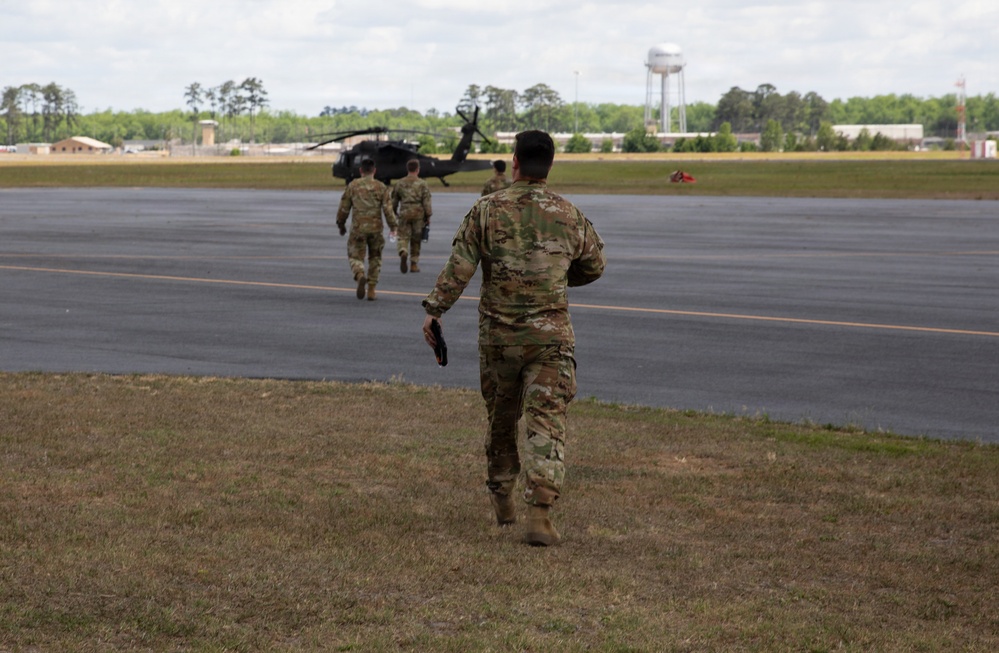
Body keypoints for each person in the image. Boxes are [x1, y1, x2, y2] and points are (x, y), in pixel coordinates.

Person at [421, 130, 606, 546]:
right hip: (551, 340)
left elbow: (460, 268)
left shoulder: (486, 210)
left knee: (502, 418)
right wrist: (554, 277)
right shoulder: (568, 213)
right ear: (550, 166)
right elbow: (594, 265)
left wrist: (435, 311)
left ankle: (502, 496)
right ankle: (539, 513)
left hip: (499, 338)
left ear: (515, 163)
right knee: (547, 420)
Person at [336, 158, 397, 301]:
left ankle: (359, 275)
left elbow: (344, 209)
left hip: (358, 229)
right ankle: (371, 290)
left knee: (355, 257)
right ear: (374, 171)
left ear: (360, 171)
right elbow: (388, 210)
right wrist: (393, 226)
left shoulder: (353, 186)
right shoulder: (381, 187)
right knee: (375, 258)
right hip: (376, 230)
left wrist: (341, 224)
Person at [391, 158, 433, 273]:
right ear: (417, 170)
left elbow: (393, 201)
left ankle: (403, 251)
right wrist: (428, 216)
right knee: (416, 239)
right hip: (418, 214)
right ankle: (414, 264)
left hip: (404, 212)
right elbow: (426, 202)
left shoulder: (400, 183)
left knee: (403, 236)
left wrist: (394, 212)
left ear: (407, 169)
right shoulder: (422, 184)